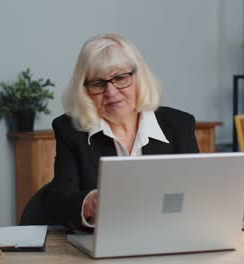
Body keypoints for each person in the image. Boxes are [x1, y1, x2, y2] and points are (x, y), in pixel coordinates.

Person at [41, 33, 199, 231]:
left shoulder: (179, 125)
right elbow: (57, 201)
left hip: (169, 238)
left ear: (139, 76)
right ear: (85, 90)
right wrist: (88, 203)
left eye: (120, 77)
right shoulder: (71, 131)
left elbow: (196, 196)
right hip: (103, 245)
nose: (111, 92)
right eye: (98, 83)